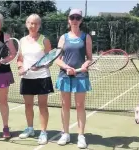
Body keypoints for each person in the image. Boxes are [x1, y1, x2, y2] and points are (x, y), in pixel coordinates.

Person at [55, 9, 92, 149]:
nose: (75, 20)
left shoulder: (86, 37)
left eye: (78, 17)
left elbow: (89, 58)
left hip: (81, 76)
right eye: (72, 17)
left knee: (80, 106)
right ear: (68, 20)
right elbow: (57, 59)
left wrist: (85, 65)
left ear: (81, 20)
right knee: (65, 105)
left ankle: (81, 136)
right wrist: (66, 68)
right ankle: (65, 133)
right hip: (65, 75)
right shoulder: (63, 37)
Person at [17, 14, 54, 145]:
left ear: (39, 25)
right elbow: (20, 59)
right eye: (30, 23)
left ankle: (43, 132)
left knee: (43, 106)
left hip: (42, 77)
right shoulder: (22, 41)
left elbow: (50, 60)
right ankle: (30, 128)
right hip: (27, 78)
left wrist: (41, 66)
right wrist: (20, 68)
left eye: (36, 23)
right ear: (27, 24)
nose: (33, 26)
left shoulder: (44, 40)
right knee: (28, 105)